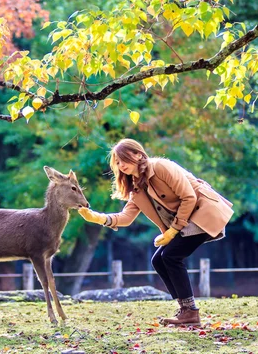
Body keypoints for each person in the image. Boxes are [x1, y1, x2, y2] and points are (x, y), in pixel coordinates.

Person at [78, 138, 234, 326]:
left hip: (204, 211)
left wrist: (173, 231)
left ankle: (190, 312)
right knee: (158, 260)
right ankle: (186, 310)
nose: (121, 165)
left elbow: (189, 197)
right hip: (185, 221)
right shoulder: (136, 187)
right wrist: (99, 218)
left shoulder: (161, 167)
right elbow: (126, 217)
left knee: (170, 256)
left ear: (138, 154)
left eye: (124, 159)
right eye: (117, 162)